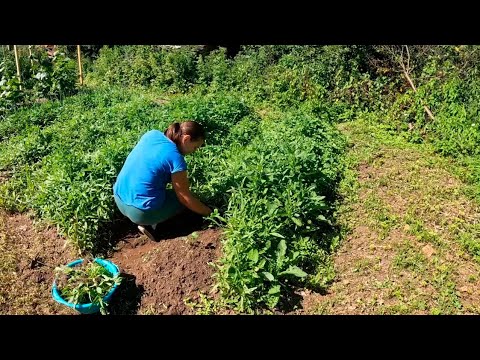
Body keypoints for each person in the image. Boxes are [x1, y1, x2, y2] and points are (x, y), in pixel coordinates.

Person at [113, 120, 212, 241]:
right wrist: (210, 213)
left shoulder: (152, 134)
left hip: (119, 198)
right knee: (186, 202)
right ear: (186, 139)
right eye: (195, 147)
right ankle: (156, 228)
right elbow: (185, 199)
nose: (194, 151)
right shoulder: (176, 158)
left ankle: (148, 221)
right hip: (139, 212)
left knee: (165, 194)